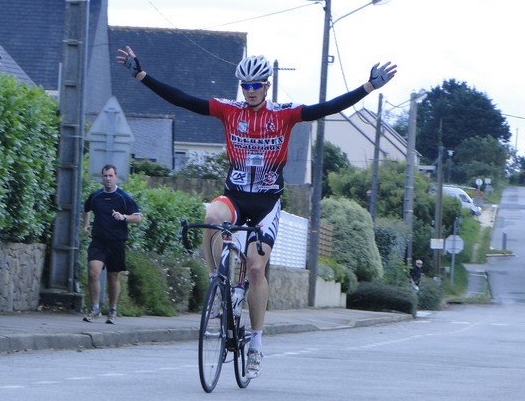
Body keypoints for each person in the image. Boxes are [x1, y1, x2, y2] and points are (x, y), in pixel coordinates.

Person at [116, 45, 396, 378]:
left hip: (266, 203)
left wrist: (368, 87)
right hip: (235, 196)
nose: (249, 91)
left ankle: (258, 342)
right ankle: (216, 281)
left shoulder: (285, 114)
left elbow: (326, 107)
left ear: (267, 85)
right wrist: (142, 75)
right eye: (245, 85)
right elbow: (182, 99)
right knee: (211, 217)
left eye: (256, 85)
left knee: (256, 270)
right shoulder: (228, 110)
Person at [82, 164, 142, 324]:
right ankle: (95, 308)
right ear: (101, 177)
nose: (108, 179)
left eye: (110, 176)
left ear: (116, 177)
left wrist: (123, 217)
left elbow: (138, 218)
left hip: (116, 242)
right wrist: (86, 225)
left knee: (113, 277)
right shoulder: (95, 196)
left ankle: (112, 309)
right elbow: (86, 209)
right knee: (93, 273)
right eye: (105, 176)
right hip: (98, 241)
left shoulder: (123, 197)